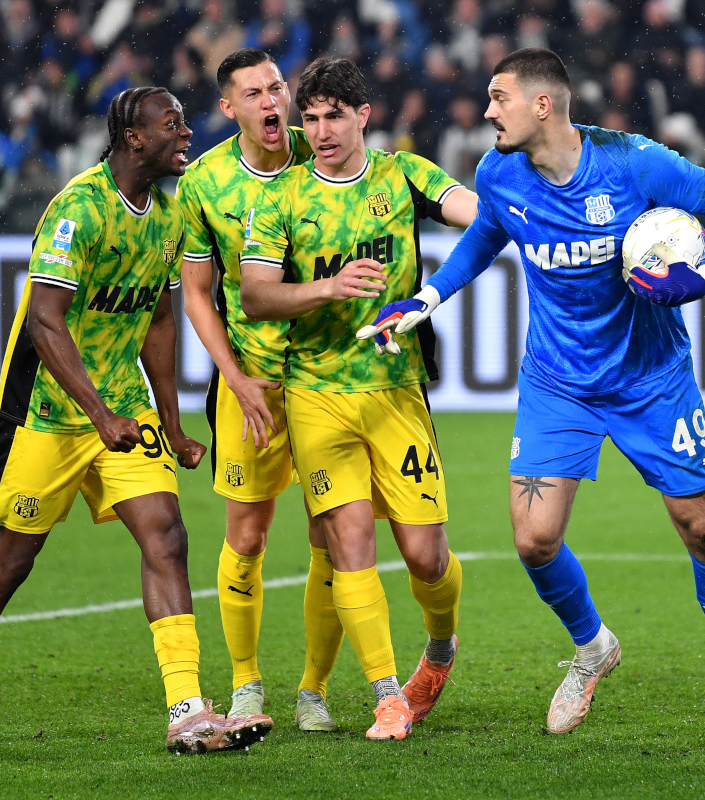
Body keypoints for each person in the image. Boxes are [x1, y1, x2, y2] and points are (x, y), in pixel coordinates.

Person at [361, 47, 705, 746]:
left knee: (703, 531)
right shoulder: (500, 171)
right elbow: (489, 233)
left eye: (499, 97)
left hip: (650, 379)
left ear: (542, 105)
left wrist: (699, 279)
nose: (487, 111)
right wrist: (426, 298)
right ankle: (593, 648)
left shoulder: (636, 164)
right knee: (534, 539)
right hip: (558, 382)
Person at [0, 86, 273, 755]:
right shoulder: (78, 208)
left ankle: (188, 709)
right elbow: (45, 323)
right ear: (134, 137)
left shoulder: (167, 215)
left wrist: (170, 419)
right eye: (174, 124)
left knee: (165, 533)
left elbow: (159, 319)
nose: (186, 134)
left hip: (122, 409)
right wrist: (98, 413)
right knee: (11, 564)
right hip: (47, 412)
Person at [239, 57, 478, 741]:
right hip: (316, 394)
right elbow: (256, 293)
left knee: (427, 557)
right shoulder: (281, 198)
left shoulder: (404, 175)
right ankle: (386, 696)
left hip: (395, 391)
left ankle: (439, 647)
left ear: (362, 116)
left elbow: (478, 214)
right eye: (308, 118)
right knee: (349, 547)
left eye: (333, 115)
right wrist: (327, 288)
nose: (319, 130)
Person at [175, 48, 342, 732]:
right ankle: (246, 685)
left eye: (278, 86)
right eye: (256, 93)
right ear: (231, 107)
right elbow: (195, 293)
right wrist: (235, 377)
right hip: (251, 380)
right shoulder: (205, 182)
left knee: (333, 533)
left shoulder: (323, 151)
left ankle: (314, 689)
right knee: (246, 537)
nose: (273, 101)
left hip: (328, 377)